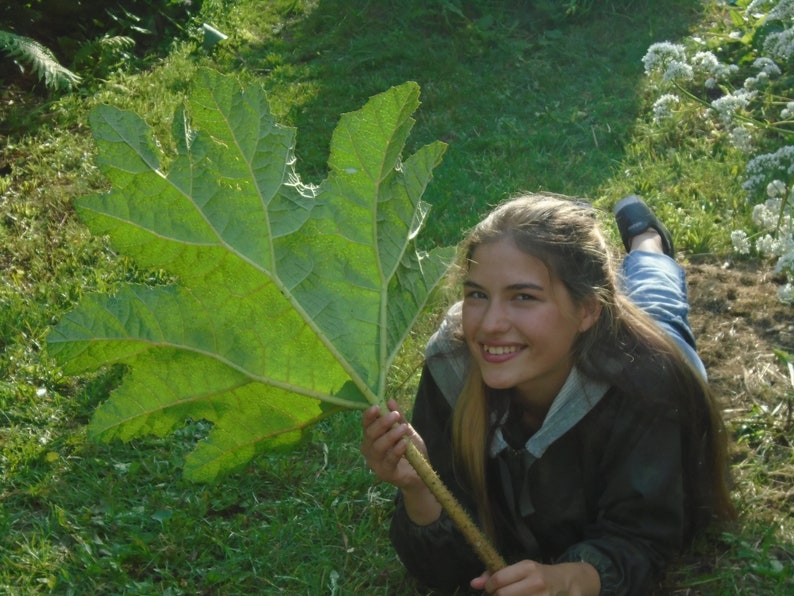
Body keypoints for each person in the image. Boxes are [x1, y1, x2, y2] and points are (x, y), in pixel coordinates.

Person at [361, 193, 736, 595]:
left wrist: (571, 579)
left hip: (652, 350)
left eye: (524, 297)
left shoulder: (649, 383)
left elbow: (645, 537)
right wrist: (418, 488)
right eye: (476, 294)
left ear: (587, 311)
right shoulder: (453, 361)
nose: (489, 324)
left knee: (658, 301)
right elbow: (442, 568)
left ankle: (646, 239)